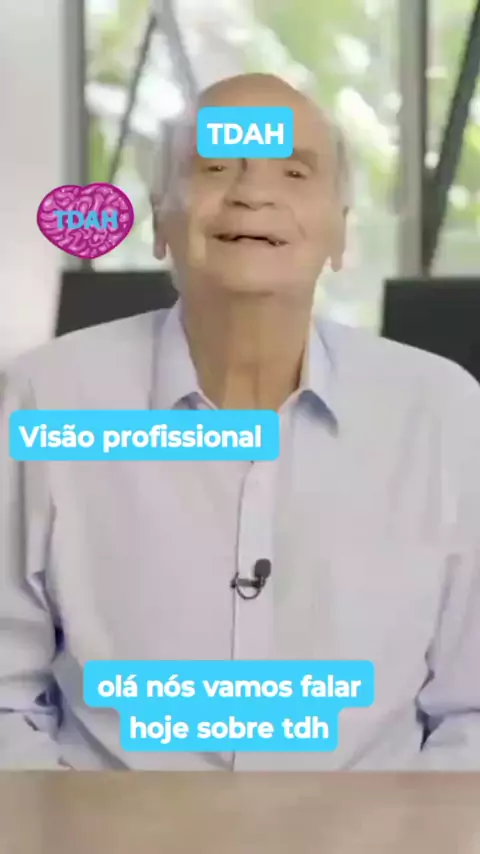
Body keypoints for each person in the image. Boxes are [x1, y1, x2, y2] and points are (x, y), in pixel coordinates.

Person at [1, 73, 480, 771]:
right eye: (216, 167)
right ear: (160, 222)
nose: (253, 194)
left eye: (294, 171)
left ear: (340, 231)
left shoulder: (443, 412)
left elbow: (471, 711)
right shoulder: (42, 400)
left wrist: (400, 828)